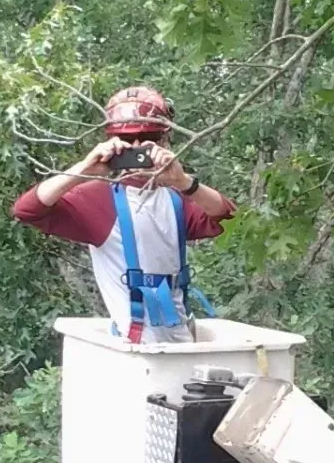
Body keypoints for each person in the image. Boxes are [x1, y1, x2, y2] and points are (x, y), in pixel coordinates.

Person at [12, 85, 237, 343]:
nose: (139, 148)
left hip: (181, 340)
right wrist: (85, 168)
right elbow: (27, 210)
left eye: (150, 138)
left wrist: (184, 181)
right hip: (134, 348)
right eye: (128, 141)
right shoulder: (96, 199)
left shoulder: (176, 199)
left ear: (165, 141)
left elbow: (229, 219)